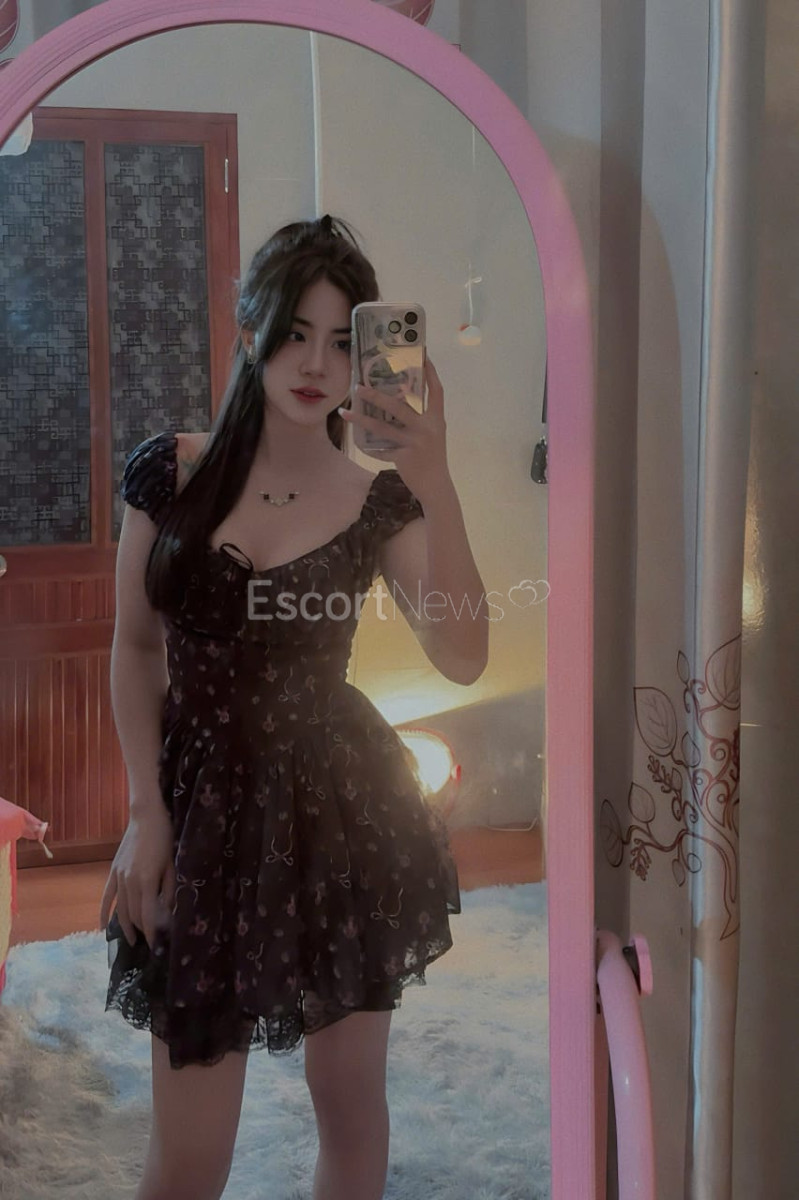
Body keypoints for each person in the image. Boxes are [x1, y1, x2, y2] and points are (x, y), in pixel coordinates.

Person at [99, 214, 488, 1200]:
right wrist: (145, 813)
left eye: (344, 341)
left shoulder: (377, 500)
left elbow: (462, 654)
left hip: (341, 815)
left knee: (348, 1108)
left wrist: (434, 477)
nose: (316, 363)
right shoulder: (169, 474)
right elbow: (135, 648)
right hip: (199, 815)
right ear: (249, 332)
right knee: (188, 1157)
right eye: (294, 333)